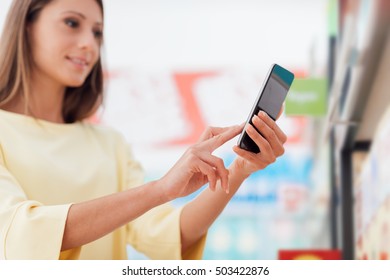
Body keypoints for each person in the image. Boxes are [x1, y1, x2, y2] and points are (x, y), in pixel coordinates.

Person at [0, 0, 287, 260]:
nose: (89, 43)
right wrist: (160, 189)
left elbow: (167, 236)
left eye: (97, 33)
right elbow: (21, 233)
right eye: (72, 23)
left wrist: (239, 169)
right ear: (26, 25)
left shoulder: (109, 143)